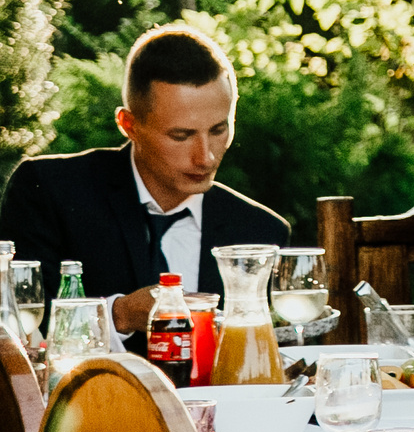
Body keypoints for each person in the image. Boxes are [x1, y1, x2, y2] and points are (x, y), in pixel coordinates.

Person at [0, 26, 288, 343]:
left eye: (219, 130)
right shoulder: (50, 191)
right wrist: (118, 315)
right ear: (129, 125)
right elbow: (19, 330)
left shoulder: (261, 232)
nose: (205, 156)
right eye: (182, 135)